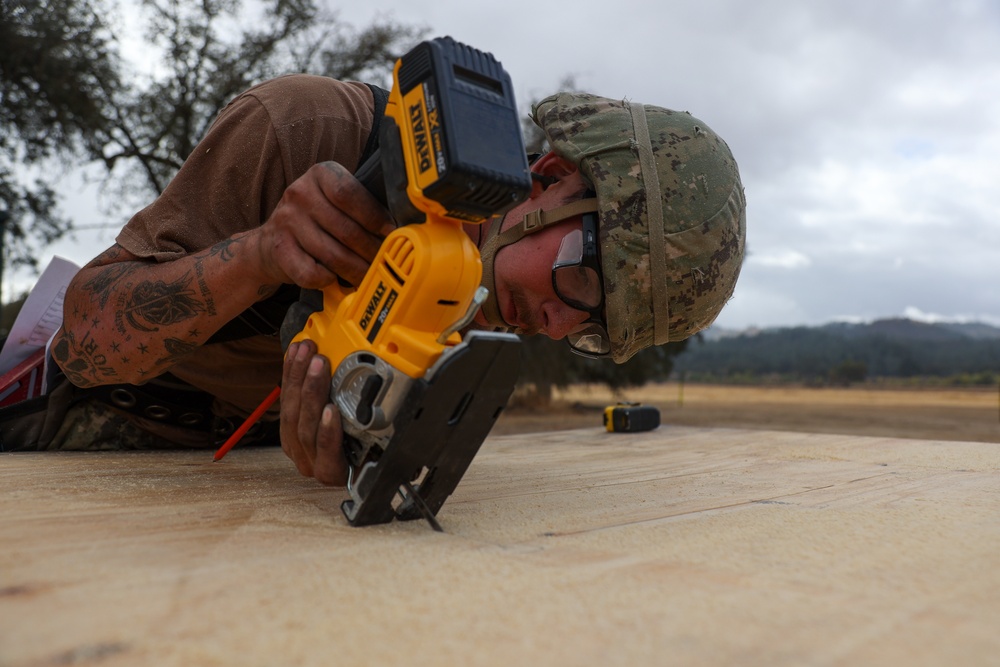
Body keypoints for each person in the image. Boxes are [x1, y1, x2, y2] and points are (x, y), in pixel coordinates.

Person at [0, 72, 746, 485]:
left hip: (245, 493)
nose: (554, 323)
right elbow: (82, 336)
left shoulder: (483, 315)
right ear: (551, 177)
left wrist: (351, 451)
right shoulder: (304, 131)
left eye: (590, 329)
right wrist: (261, 254)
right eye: (586, 284)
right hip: (94, 446)